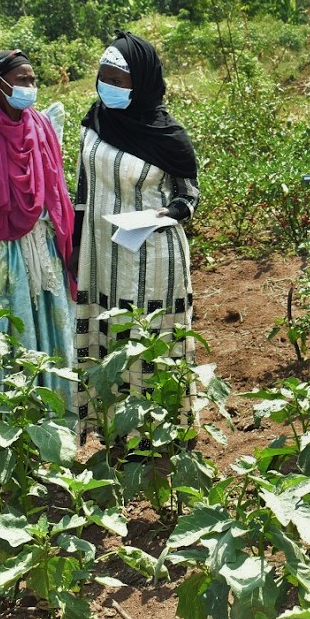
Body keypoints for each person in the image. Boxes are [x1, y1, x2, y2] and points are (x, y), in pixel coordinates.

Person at [73, 31, 199, 425]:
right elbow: (82, 189)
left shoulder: (168, 136)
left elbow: (189, 195)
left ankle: (156, 432)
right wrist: (75, 243)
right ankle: (113, 427)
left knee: (149, 342)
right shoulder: (95, 122)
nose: (107, 86)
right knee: (107, 339)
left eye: (117, 80)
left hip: (151, 256)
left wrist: (168, 213)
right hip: (99, 255)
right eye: (103, 77)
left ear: (140, 83)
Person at [0, 50, 77, 411]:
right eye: (23, 79)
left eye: (33, 79)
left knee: (52, 324)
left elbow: (54, 190)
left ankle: (55, 413)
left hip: (43, 243)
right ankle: (11, 419)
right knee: (6, 330)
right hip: (0, 248)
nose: (30, 86)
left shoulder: (44, 126)